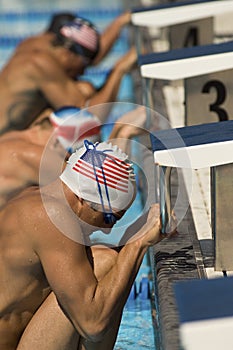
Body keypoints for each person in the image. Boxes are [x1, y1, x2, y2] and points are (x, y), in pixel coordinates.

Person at [0, 139, 176, 349]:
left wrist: (139, 231)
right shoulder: (50, 216)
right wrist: (138, 244)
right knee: (105, 263)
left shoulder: (39, 200)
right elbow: (93, 324)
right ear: (82, 199)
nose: (107, 229)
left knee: (104, 260)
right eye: (109, 218)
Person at [0, 11, 136, 134]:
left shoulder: (40, 43)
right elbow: (89, 119)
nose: (83, 71)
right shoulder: (41, 65)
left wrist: (119, 23)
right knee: (84, 91)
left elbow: (90, 55)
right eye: (83, 65)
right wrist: (119, 70)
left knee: (82, 89)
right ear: (68, 54)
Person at [0, 106, 101, 209]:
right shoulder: (37, 156)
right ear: (58, 143)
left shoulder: (11, 136)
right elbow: (96, 190)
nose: (65, 160)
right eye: (67, 157)